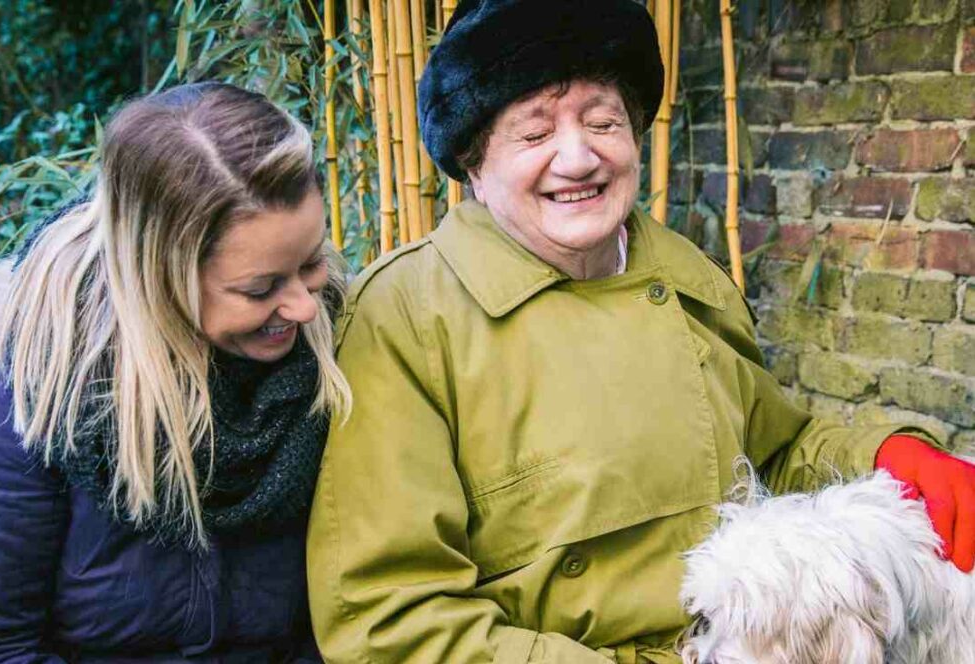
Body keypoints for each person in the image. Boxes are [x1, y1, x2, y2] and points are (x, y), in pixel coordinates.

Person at [305, 1, 975, 662]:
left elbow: (776, 447)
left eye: (603, 121)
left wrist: (893, 459)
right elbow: (392, 622)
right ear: (474, 163)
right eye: (534, 135)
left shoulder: (685, 273)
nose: (577, 158)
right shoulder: (405, 315)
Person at [0, 82, 350, 662]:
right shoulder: (38, 384)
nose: (303, 305)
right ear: (158, 276)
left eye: (311, 262)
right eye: (260, 288)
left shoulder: (339, 343)